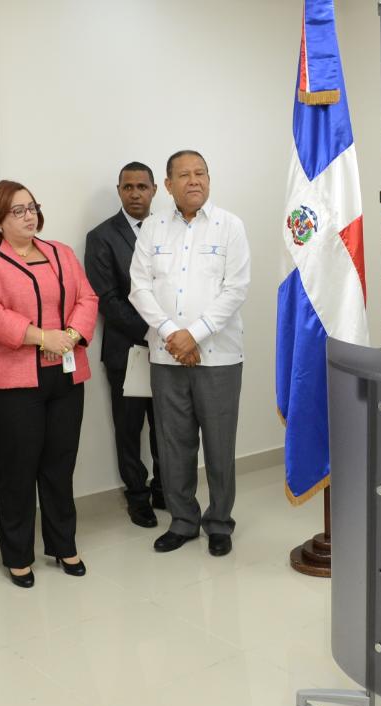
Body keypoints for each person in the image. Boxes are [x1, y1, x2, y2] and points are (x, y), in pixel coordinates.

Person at [0, 181, 98, 587]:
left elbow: (87, 299)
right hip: (10, 379)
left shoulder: (62, 252)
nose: (29, 216)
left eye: (32, 207)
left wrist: (68, 336)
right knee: (16, 470)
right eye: (17, 211)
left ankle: (63, 544)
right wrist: (42, 338)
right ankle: (18, 555)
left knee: (60, 464)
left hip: (65, 373)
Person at [129, 150, 250, 557]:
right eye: (184, 175)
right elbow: (139, 287)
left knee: (219, 445)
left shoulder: (230, 226)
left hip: (219, 356)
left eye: (200, 173)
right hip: (167, 356)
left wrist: (194, 335)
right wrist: (172, 334)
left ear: (209, 179)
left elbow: (236, 289)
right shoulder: (153, 228)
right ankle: (182, 521)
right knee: (173, 444)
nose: (194, 180)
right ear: (168, 185)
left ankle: (219, 522)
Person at [85, 162, 166, 528]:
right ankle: (137, 496)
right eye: (128, 187)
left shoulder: (169, 230)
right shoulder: (101, 236)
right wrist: (155, 331)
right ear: (119, 190)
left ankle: (165, 489)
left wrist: (173, 334)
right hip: (128, 350)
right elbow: (107, 299)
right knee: (129, 430)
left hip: (171, 349)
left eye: (142, 187)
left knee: (166, 425)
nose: (135, 194)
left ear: (154, 190)